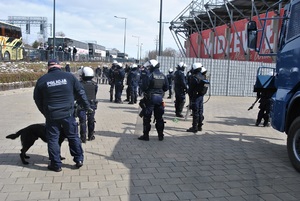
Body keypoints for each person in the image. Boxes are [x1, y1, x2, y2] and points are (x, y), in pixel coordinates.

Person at [34, 59, 93, 172]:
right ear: (59, 66)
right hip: (68, 113)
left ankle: (56, 165)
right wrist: (87, 107)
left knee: (53, 139)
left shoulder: (42, 80)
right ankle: (78, 159)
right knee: (73, 136)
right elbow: (81, 92)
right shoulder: (69, 77)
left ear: (48, 67)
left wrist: (45, 112)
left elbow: (37, 99)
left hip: (52, 115)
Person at [138, 59, 168, 141]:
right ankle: (160, 135)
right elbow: (166, 87)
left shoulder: (149, 75)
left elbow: (144, 87)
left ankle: (146, 136)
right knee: (159, 117)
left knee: (147, 117)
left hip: (150, 99)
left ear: (152, 66)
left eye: (149, 66)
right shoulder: (163, 75)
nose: (148, 68)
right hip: (160, 98)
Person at [77, 67, 98, 142]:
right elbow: (95, 93)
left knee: (82, 121)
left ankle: (83, 137)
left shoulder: (79, 84)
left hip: (81, 104)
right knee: (91, 120)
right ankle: (91, 135)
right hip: (92, 104)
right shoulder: (94, 84)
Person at [187, 62, 208, 133]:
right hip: (200, 96)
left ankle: (194, 127)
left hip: (195, 97)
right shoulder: (203, 76)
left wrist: (190, 96)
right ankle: (200, 126)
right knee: (200, 111)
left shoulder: (194, 77)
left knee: (195, 112)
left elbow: (191, 89)